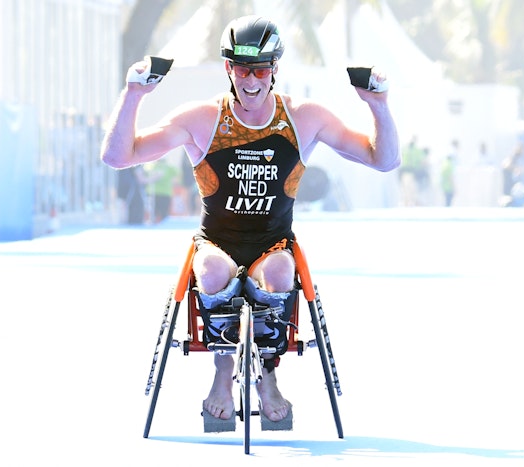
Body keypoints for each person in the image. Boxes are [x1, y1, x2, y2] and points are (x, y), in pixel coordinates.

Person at [100, 15, 399, 423]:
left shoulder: (303, 117)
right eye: (243, 70)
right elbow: (118, 157)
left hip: (273, 245)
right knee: (210, 271)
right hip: (216, 243)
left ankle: (268, 377)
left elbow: (383, 160)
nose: (251, 81)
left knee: (279, 272)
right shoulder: (203, 118)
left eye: (260, 70)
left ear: (274, 69)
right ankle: (222, 374)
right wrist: (133, 94)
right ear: (229, 68)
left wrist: (378, 106)